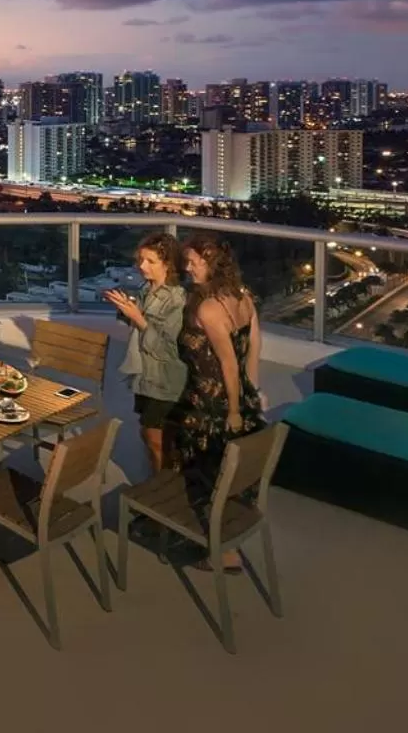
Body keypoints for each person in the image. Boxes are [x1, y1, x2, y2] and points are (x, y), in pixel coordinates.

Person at [168, 233, 266, 567]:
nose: (188, 267)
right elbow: (252, 348)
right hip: (239, 398)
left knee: (206, 473)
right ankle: (223, 543)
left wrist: (234, 411)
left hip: (210, 406)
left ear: (213, 264)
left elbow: (226, 362)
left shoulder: (209, 309)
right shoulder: (243, 297)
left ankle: (220, 551)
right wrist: (251, 393)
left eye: (195, 262)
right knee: (228, 474)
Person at [104, 232, 187, 472]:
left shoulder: (177, 299)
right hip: (146, 376)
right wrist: (123, 308)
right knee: (149, 432)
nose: (142, 266)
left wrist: (137, 317)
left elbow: (166, 347)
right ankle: (159, 479)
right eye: (141, 260)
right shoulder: (146, 289)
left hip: (165, 378)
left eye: (150, 261)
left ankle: (161, 488)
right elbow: (138, 326)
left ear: (168, 264)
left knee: (154, 436)